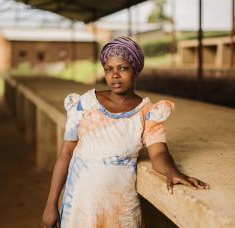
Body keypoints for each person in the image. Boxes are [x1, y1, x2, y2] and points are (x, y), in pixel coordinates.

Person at [41, 37, 210, 228]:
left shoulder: (148, 113)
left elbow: (159, 153)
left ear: (136, 70)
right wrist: (50, 204)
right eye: (108, 69)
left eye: (123, 68)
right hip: (81, 205)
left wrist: (172, 171)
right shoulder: (85, 105)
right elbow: (66, 154)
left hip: (121, 210)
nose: (115, 75)